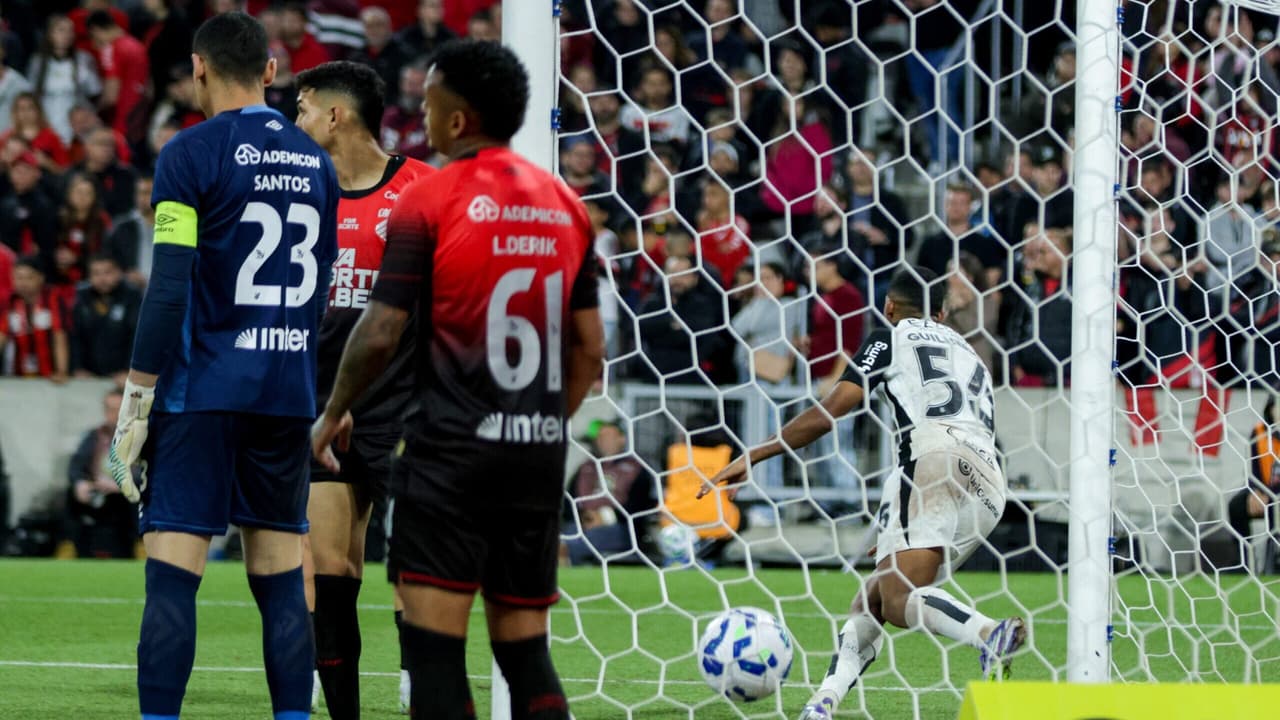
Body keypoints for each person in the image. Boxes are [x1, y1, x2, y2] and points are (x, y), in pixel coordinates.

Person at [311, 39, 602, 720]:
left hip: (449, 454)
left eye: (433, 97)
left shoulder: (430, 198)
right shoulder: (567, 205)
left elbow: (380, 330)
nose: (423, 107)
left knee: (436, 650)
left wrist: (333, 412)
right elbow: (590, 348)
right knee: (525, 651)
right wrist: (546, 421)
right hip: (534, 453)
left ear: (460, 118)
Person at [106, 13, 338, 720]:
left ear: (199, 70)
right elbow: (319, 295)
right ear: (270, 73)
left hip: (202, 390)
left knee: (174, 576)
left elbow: (170, 282)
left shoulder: (188, 153)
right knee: (279, 579)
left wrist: (136, 400)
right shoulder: (316, 161)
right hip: (285, 394)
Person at [699, 267, 1025, 720]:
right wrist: (896, 520)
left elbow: (829, 412)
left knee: (896, 599)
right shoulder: (972, 355)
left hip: (929, 459)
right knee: (873, 598)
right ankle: (822, 704)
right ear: (943, 311)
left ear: (890, 307)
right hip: (988, 483)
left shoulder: (887, 336)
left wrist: (756, 454)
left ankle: (988, 633)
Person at [294, 59, 435, 719]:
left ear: (334, 114)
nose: (294, 123)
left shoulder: (420, 190)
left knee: (409, 564)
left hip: (408, 405)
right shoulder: (300, 195)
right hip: (327, 404)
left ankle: (420, 685)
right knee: (330, 568)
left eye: (301, 109)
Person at [61, 387, 138, 558]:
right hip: (99, 491)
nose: (114, 414)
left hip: (126, 496)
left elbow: (148, 472)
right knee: (70, 494)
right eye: (110, 409)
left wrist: (120, 485)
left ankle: (131, 548)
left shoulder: (139, 437)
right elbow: (76, 465)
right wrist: (80, 483)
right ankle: (72, 546)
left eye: (119, 409)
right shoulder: (94, 436)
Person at [70, 253, 140, 380]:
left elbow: (136, 337)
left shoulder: (132, 297)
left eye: (107, 272)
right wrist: (77, 367)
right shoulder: (82, 297)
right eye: (96, 273)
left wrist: (129, 370)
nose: (102, 278)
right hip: (89, 375)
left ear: (119, 273)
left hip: (123, 375)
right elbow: (76, 337)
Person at [0, 256, 69, 381]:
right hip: (19, 375)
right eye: (18, 277)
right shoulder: (11, 302)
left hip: (50, 376)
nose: (23, 283)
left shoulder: (53, 298)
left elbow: (59, 336)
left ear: (41, 278)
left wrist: (61, 371)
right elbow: (1, 336)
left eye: (29, 277)